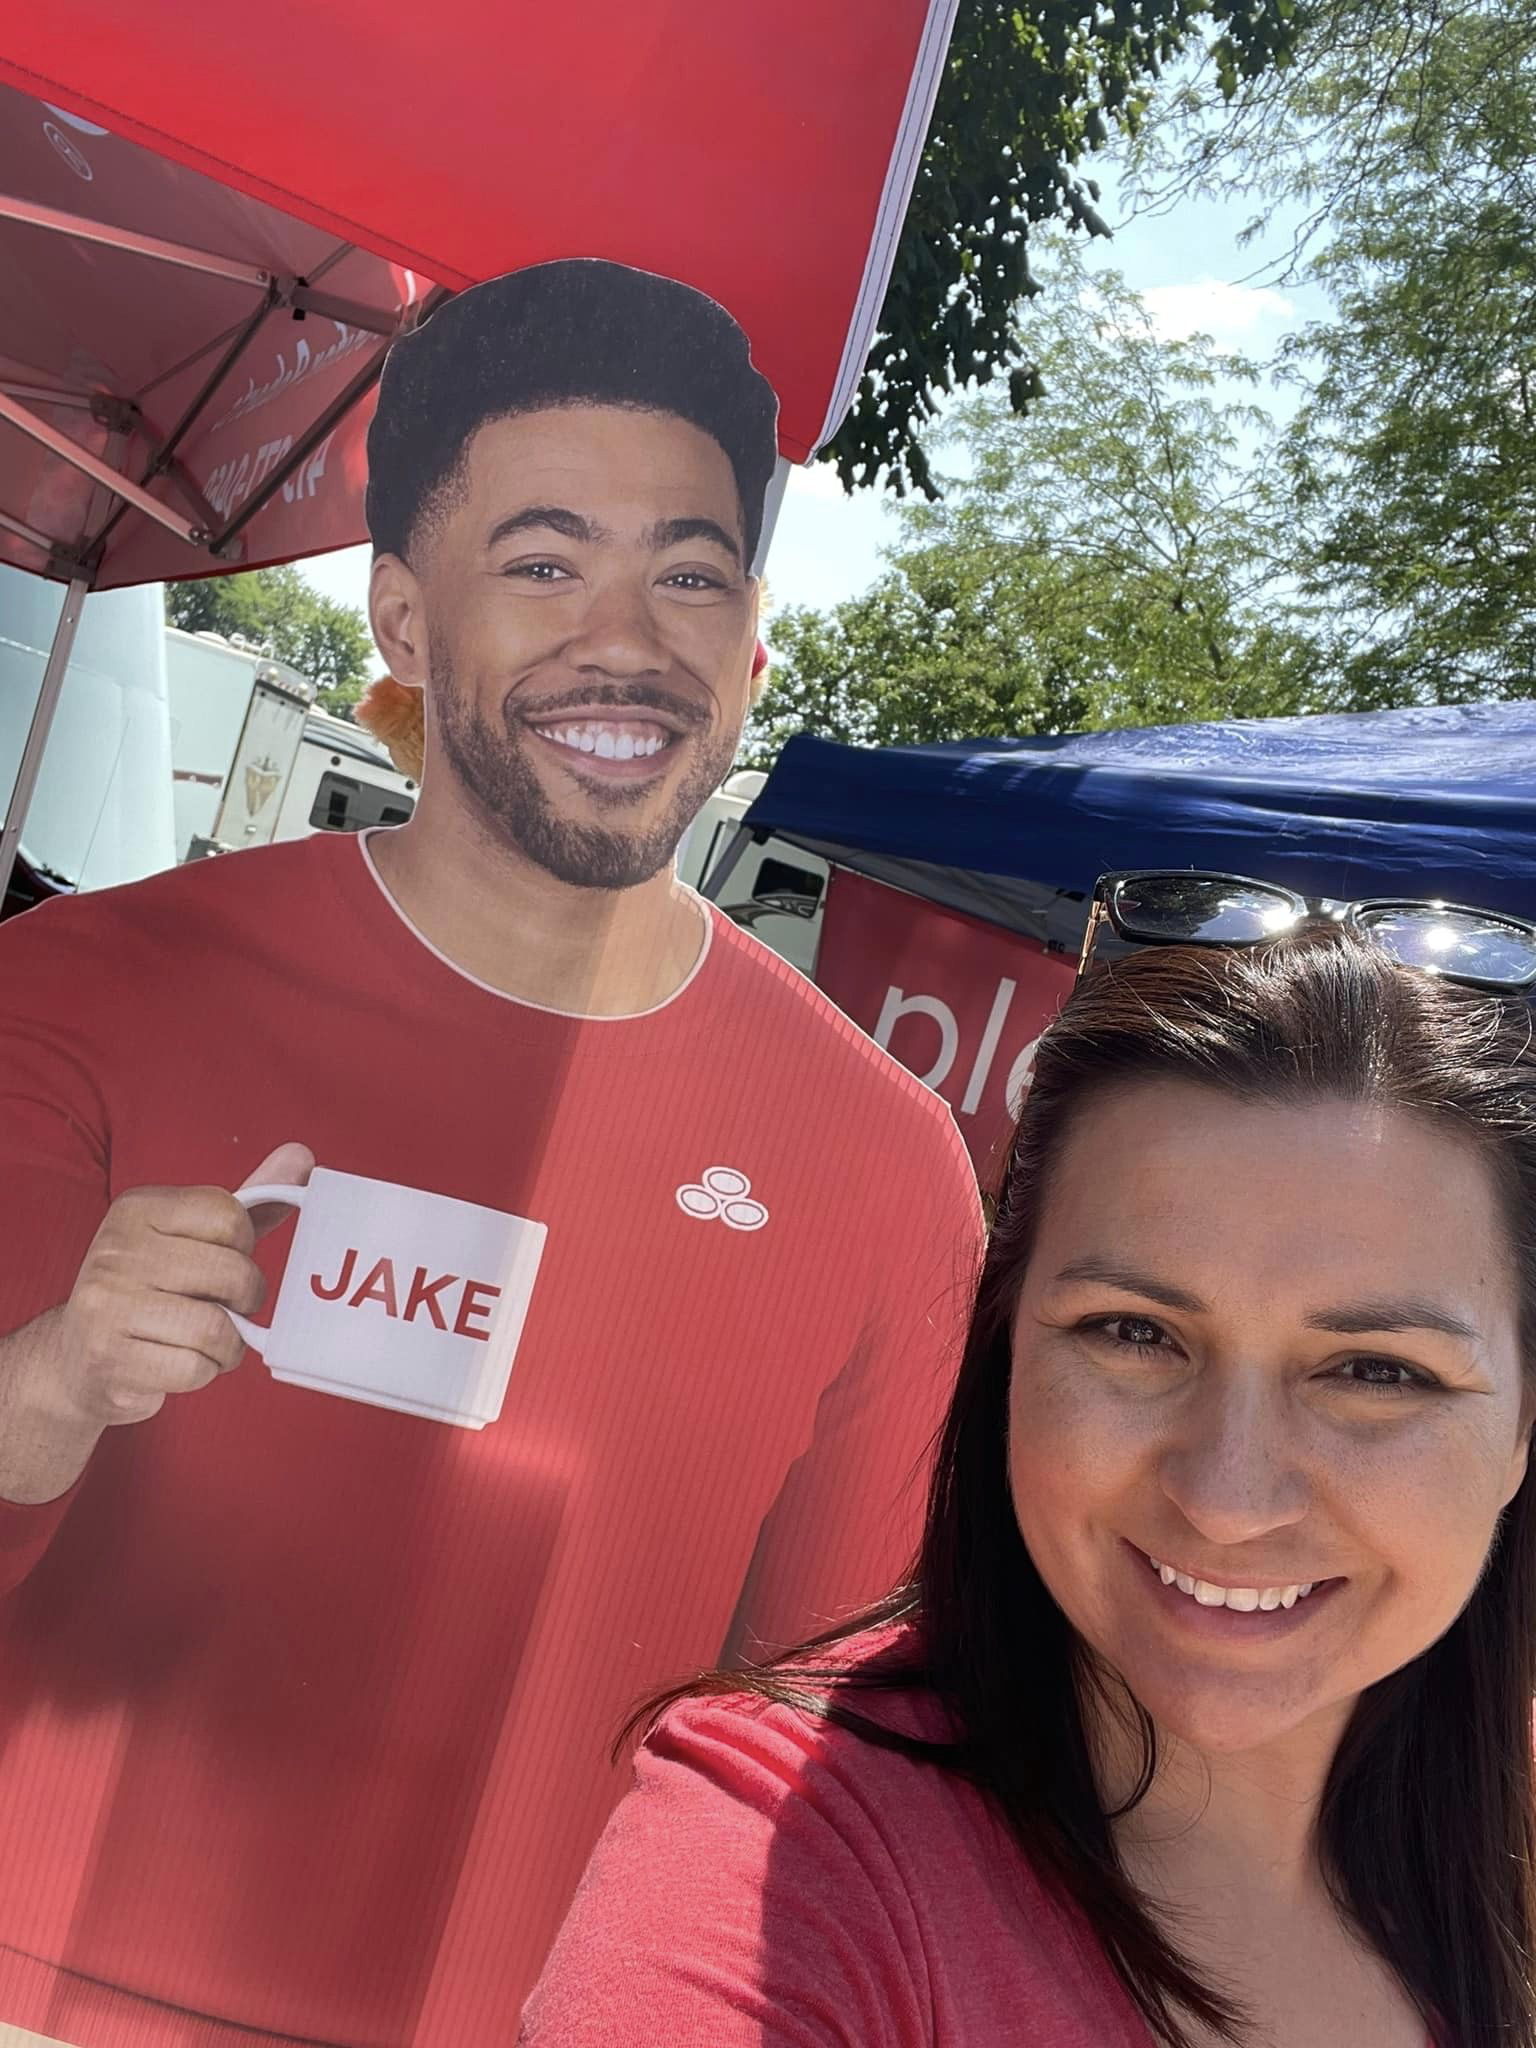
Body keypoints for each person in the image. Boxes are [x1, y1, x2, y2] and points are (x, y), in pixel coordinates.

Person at [0, 260, 982, 2048]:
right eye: (543, 562)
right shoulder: (77, 995)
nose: (627, 636)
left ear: (754, 640)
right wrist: (50, 1383)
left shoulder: (883, 1167)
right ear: (397, 613)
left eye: (690, 572)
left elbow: (814, 1772)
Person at [521, 871, 1536, 2048]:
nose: (1227, 1497)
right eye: (1136, 1333)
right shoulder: (781, 1853)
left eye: (1375, 1369)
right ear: (1005, 1348)